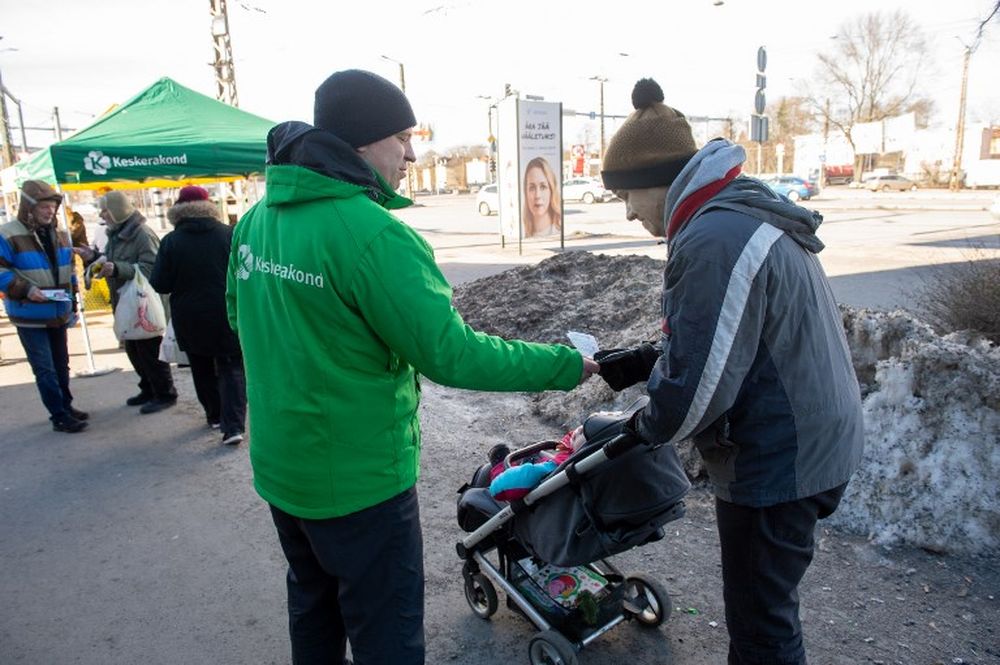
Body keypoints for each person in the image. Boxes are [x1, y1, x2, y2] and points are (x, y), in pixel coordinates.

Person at [226, 68, 599, 665]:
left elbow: (240, 318)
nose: (412, 152)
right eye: (402, 137)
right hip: (359, 478)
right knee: (387, 633)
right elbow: (452, 354)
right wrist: (564, 365)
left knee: (312, 605)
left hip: (281, 467)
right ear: (363, 140)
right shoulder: (374, 235)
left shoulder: (255, 220)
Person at [599, 78, 865, 665]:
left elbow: (701, 386)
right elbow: (733, 335)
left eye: (627, 196)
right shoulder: (733, 214)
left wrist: (644, 429)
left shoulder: (714, 237)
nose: (627, 212)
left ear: (657, 183)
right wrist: (649, 359)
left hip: (780, 455)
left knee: (761, 623)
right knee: (767, 605)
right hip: (809, 437)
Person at [150, 185, 246, 445]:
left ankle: (214, 415)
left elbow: (160, 283)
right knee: (232, 367)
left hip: (189, 316)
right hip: (227, 311)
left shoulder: (171, 241)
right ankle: (234, 425)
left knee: (201, 368)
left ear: (178, 211)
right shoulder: (229, 234)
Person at [75, 191, 177, 414]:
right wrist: (93, 258)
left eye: (105, 209)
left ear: (117, 210)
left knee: (149, 350)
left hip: (143, 304)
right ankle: (148, 388)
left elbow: (152, 267)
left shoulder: (142, 234)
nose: (102, 214)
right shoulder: (115, 232)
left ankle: (165, 393)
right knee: (133, 349)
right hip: (125, 301)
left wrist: (118, 268)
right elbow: (113, 260)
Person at [0, 180, 88, 432]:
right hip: (29, 312)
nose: (50, 211)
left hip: (57, 312)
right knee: (45, 368)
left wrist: (72, 304)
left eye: (52, 206)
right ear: (29, 207)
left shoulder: (59, 234)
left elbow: (69, 271)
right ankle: (59, 415)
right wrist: (25, 289)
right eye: (44, 206)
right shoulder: (8, 233)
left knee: (61, 364)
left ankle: (66, 405)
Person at [521, 156, 562, 237]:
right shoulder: (522, 231)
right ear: (525, 192)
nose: (537, 195)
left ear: (551, 191)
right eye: (532, 188)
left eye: (543, 187)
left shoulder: (557, 232)